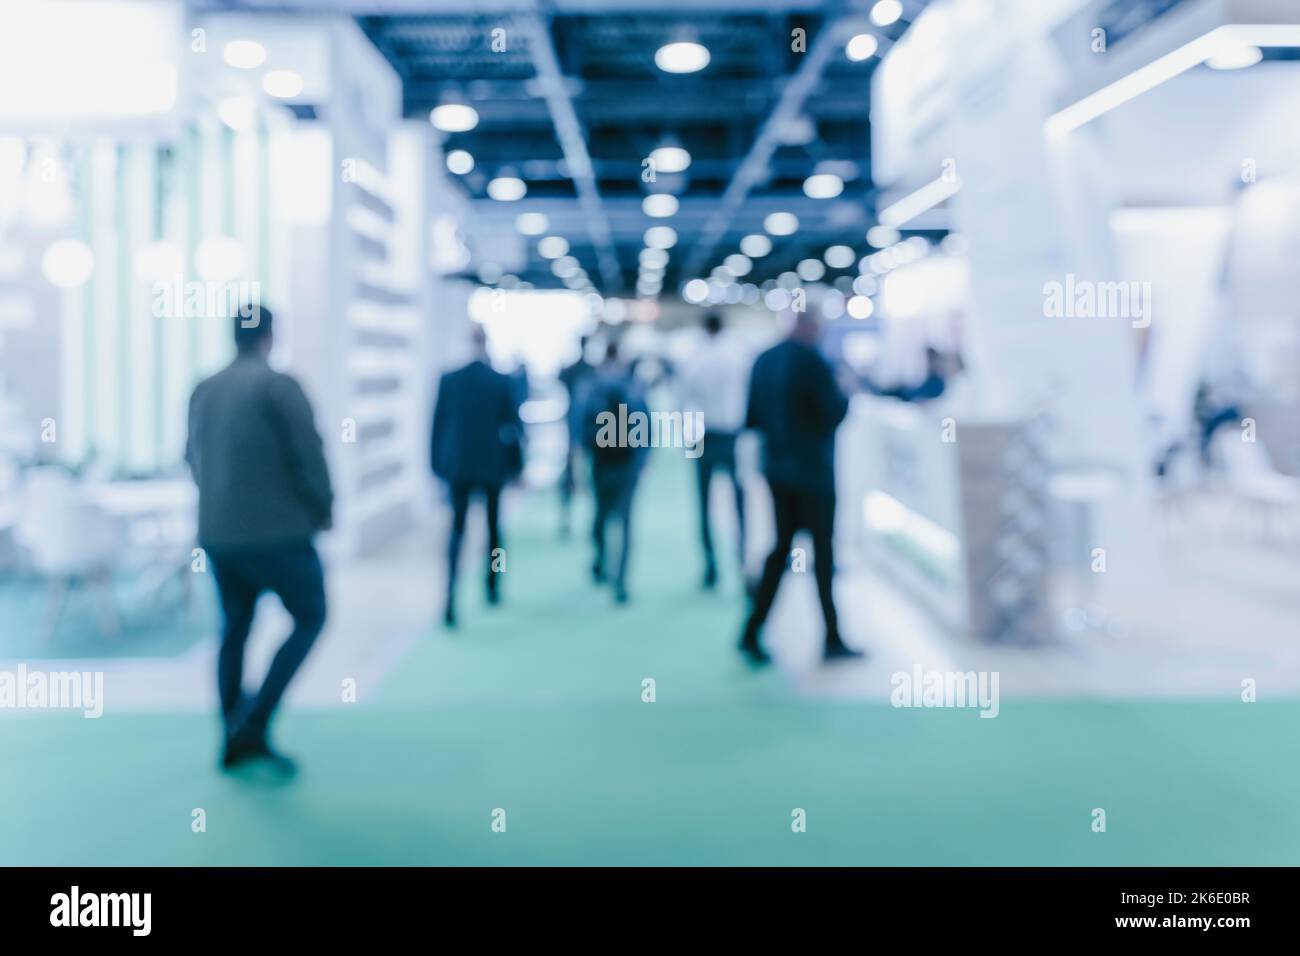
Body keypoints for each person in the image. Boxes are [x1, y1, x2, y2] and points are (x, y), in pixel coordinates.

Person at [186, 304, 333, 776]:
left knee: (235, 628)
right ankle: (252, 723)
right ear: (270, 336)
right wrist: (323, 511)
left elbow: (192, 458)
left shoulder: (204, 389)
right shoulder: (279, 386)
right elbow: (309, 457)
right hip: (279, 536)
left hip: (219, 535)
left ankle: (231, 730)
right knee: (311, 615)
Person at [739, 311, 863, 665]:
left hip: (778, 471)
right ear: (811, 327)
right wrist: (846, 393)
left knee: (780, 549)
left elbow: (751, 417)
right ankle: (832, 637)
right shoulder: (815, 362)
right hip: (813, 473)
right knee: (822, 554)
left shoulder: (764, 360)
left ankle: (751, 630)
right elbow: (833, 412)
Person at [431, 326, 523, 628]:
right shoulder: (499, 381)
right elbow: (513, 428)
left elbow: (437, 426)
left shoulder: (450, 380)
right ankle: (492, 584)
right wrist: (516, 467)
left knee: (457, 530)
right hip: (491, 465)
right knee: (493, 528)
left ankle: (451, 594)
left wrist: (436, 465)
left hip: (458, 466)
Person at [678, 312, 750, 589]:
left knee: (703, 502)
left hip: (703, 435)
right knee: (739, 502)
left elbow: (682, 403)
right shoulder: (738, 357)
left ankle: (711, 566)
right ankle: (742, 557)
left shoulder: (695, 360)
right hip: (734, 435)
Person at [583, 340, 648, 604]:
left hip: (601, 464)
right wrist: (642, 460)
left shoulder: (591, 388)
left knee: (600, 515)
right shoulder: (633, 389)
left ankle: (601, 561)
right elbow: (645, 426)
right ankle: (621, 580)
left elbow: (581, 426)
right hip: (626, 464)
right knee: (625, 522)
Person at [557, 335, 596, 538]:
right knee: (578, 475)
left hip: (578, 428)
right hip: (583, 430)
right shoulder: (589, 371)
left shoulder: (579, 370)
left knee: (572, 475)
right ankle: (571, 519)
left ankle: (569, 519)